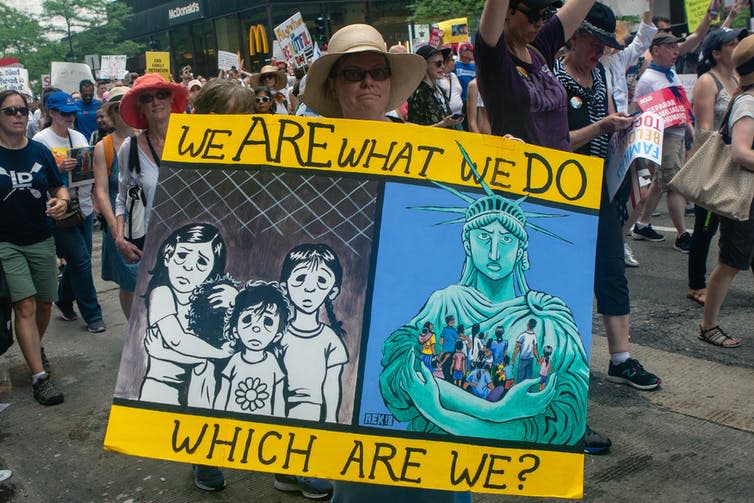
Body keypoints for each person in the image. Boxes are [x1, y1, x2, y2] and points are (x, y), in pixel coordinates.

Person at [477, 0, 660, 454]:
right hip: (523, 205)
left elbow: (571, 12)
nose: (540, 19)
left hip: (564, 200)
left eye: (545, 11)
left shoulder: (537, 52)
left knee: (564, 308)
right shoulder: (494, 57)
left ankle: (558, 414)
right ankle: (538, 417)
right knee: (531, 313)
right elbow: (493, 16)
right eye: (529, 10)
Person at [302, 23, 471, 503]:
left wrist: (509, 171)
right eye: (354, 73)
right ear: (334, 85)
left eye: (376, 71)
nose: (367, 83)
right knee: (362, 472)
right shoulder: (302, 154)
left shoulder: (426, 144)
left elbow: (462, 214)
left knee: (436, 459)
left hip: (417, 318)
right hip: (347, 323)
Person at [0, 90, 70, 405]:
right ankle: (40, 377)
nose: (18, 115)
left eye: (23, 110)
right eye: (10, 110)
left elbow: (58, 186)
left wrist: (61, 201)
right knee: (25, 305)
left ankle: (33, 347)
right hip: (5, 243)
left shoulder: (40, 151)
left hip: (42, 237)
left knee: (44, 304)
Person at [697, 34, 754, 349]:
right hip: (743, 197)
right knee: (731, 261)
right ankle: (707, 326)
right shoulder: (748, 101)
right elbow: (741, 152)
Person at [33, 91, 106, 333]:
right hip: (57, 212)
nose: (69, 117)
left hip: (82, 209)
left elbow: (89, 173)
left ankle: (63, 300)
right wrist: (57, 168)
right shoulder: (41, 141)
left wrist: (94, 197)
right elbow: (37, 177)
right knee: (82, 261)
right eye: (64, 113)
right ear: (51, 113)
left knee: (77, 263)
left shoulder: (78, 137)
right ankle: (93, 314)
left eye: (71, 113)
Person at [687, 28, 744, 306]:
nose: (737, 47)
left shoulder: (737, 78)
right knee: (705, 227)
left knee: (741, 223)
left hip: (736, 163)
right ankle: (696, 285)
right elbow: (705, 130)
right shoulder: (707, 82)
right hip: (715, 164)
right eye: (732, 44)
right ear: (716, 52)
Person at [114, 73, 188, 273]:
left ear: (172, 99)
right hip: (151, 245)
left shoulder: (193, 140)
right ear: (140, 106)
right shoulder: (129, 148)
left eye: (161, 94)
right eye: (147, 98)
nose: (156, 101)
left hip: (191, 242)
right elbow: (122, 198)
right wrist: (120, 238)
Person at [630, 32, 693, 252]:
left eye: (677, 47)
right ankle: (682, 234)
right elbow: (638, 110)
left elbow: (680, 106)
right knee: (675, 185)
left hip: (676, 136)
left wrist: (688, 127)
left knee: (659, 181)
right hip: (664, 138)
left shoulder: (670, 74)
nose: (676, 51)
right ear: (656, 50)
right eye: (670, 47)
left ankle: (643, 223)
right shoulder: (648, 79)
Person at [91, 86, 139, 319]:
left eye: (127, 107)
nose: (123, 113)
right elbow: (101, 191)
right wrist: (114, 228)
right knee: (129, 282)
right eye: (118, 109)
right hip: (120, 222)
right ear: (112, 114)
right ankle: (133, 332)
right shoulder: (104, 147)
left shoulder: (147, 140)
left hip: (146, 220)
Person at [408, 45, 463, 129]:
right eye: (438, 63)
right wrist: (443, 124)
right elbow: (416, 130)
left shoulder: (441, 90)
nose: (443, 67)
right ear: (424, 65)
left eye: (443, 62)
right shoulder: (418, 93)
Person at [436, 50, 464, 117]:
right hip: (447, 117)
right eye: (452, 60)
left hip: (459, 115)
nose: (455, 62)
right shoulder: (438, 78)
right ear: (446, 62)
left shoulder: (453, 76)